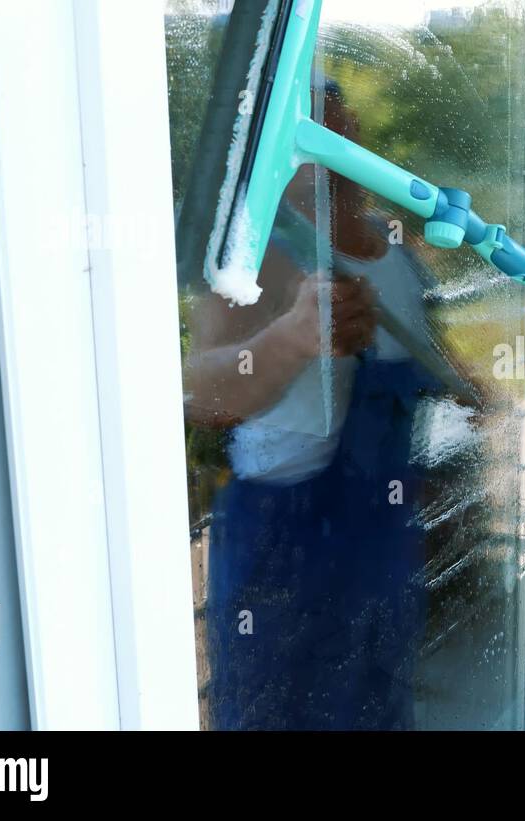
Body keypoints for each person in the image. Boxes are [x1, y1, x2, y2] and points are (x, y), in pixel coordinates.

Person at [184, 79, 438, 729]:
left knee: (380, 705)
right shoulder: (255, 255)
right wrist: (290, 338)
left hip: (381, 544)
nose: (337, 148)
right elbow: (198, 394)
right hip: (280, 552)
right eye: (314, 140)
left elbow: (436, 363)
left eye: (342, 131)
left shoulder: (398, 253)